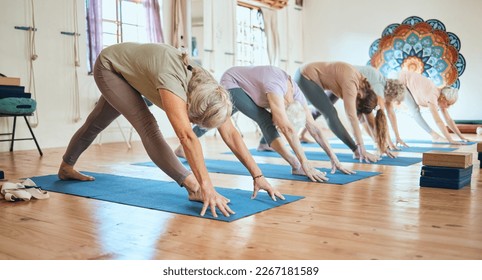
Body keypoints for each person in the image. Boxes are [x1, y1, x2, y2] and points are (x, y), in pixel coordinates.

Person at [57, 42, 284, 219]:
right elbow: (186, 136)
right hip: (110, 67)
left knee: (96, 122)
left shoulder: (209, 89)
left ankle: (66, 167)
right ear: (190, 107)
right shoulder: (173, 84)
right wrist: (204, 186)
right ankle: (191, 187)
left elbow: (231, 133)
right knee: (146, 125)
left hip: (134, 72)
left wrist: (258, 175)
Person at [175, 65, 354, 182]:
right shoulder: (275, 87)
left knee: (221, 117)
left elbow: (313, 128)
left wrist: (334, 158)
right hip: (233, 82)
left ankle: (181, 149)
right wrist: (304, 162)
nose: (281, 126)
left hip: (252, 91)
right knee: (264, 119)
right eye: (281, 121)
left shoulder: (298, 97)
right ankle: (296, 165)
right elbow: (286, 127)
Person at [294, 61, 392, 162]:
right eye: (357, 107)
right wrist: (361, 148)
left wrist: (381, 144)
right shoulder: (351, 85)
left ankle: (300, 134)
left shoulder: (365, 88)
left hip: (318, 79)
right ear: (359, 97)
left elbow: (367, 116)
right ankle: (356, 151)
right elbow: (352, 117)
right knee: (330, 113)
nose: (356, 108)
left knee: (322, 109)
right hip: (305, 77)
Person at [397, 70, 471, 144]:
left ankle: (435, 136)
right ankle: (434, 136)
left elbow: (449, 120)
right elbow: (438, 121)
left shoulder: (440, 97)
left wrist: (462, 137)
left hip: (408, 80)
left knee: (415, 109)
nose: (448, 107)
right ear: (443, 98)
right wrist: (450, 140)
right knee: (415, 110)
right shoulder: (433, 96)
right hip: (400, 80)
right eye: (448, 104)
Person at [353, 65, 406, 149]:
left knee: (364, 114)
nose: (392, 103)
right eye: (394, 100)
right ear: (393, 94)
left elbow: (391, 113)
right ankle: (378, 142)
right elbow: (381, 118)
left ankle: (378, 142)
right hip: (349, 79)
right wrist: (388, 142)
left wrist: (397, 137)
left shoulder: (384, 82)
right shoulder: (379, 87)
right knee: (363, 115)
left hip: (356, 84)